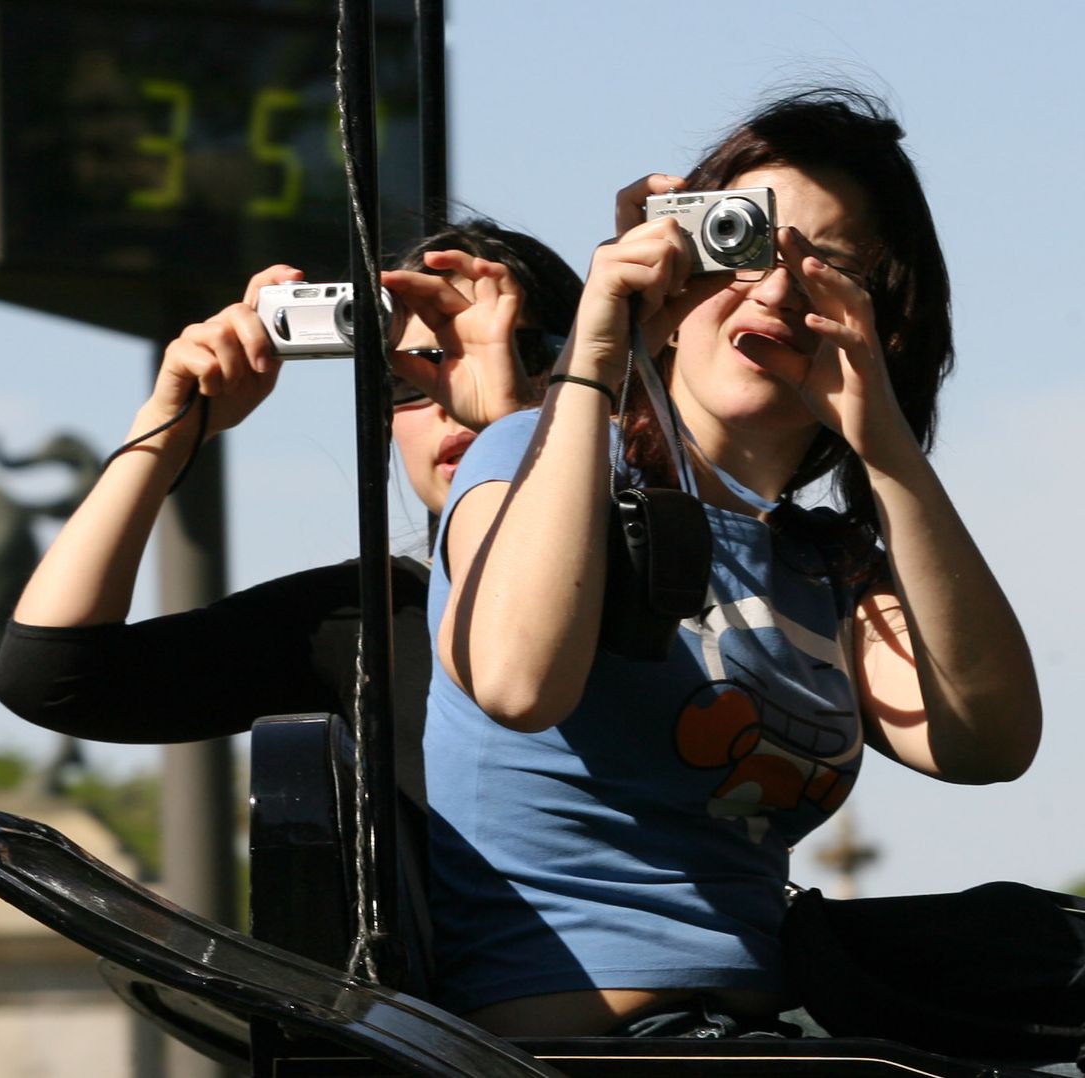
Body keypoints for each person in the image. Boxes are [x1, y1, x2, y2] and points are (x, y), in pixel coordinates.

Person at [420, 88, 1042, 1039]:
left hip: (752, 1042)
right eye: (742, 243)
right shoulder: (536, 459)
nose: (776, 289)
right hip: (567, 1048)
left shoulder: (828, 568)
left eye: (827, 267)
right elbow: (515, 681)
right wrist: (601, 347)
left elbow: (988, 743)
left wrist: (887, 450)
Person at [0, 219, 581, 816]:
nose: (456, 396)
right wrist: (167, 430)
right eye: (412, 376)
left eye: (510, 352)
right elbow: (54, 679)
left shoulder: (662, 576)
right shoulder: (373, 618)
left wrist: (513, 434)